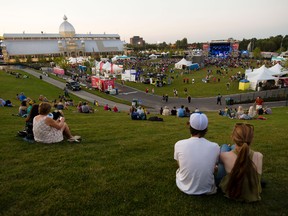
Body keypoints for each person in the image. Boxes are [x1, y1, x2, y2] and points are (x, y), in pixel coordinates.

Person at [174, 113, 220, 195]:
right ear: (206, 129)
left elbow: (180, 165)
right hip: (207, 188)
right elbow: (214, 168)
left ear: (189, 126)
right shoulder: (215, 147)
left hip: (184, 187)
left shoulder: (179, 144)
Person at [218, 123, 263, 202]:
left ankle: (227, 146)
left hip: (231, 193)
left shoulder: (224, 156)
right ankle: (231, 147)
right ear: (251, 139)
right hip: (252, 194)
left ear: (232, 137)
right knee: (231, 149)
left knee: (224, 147)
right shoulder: (259, 156)